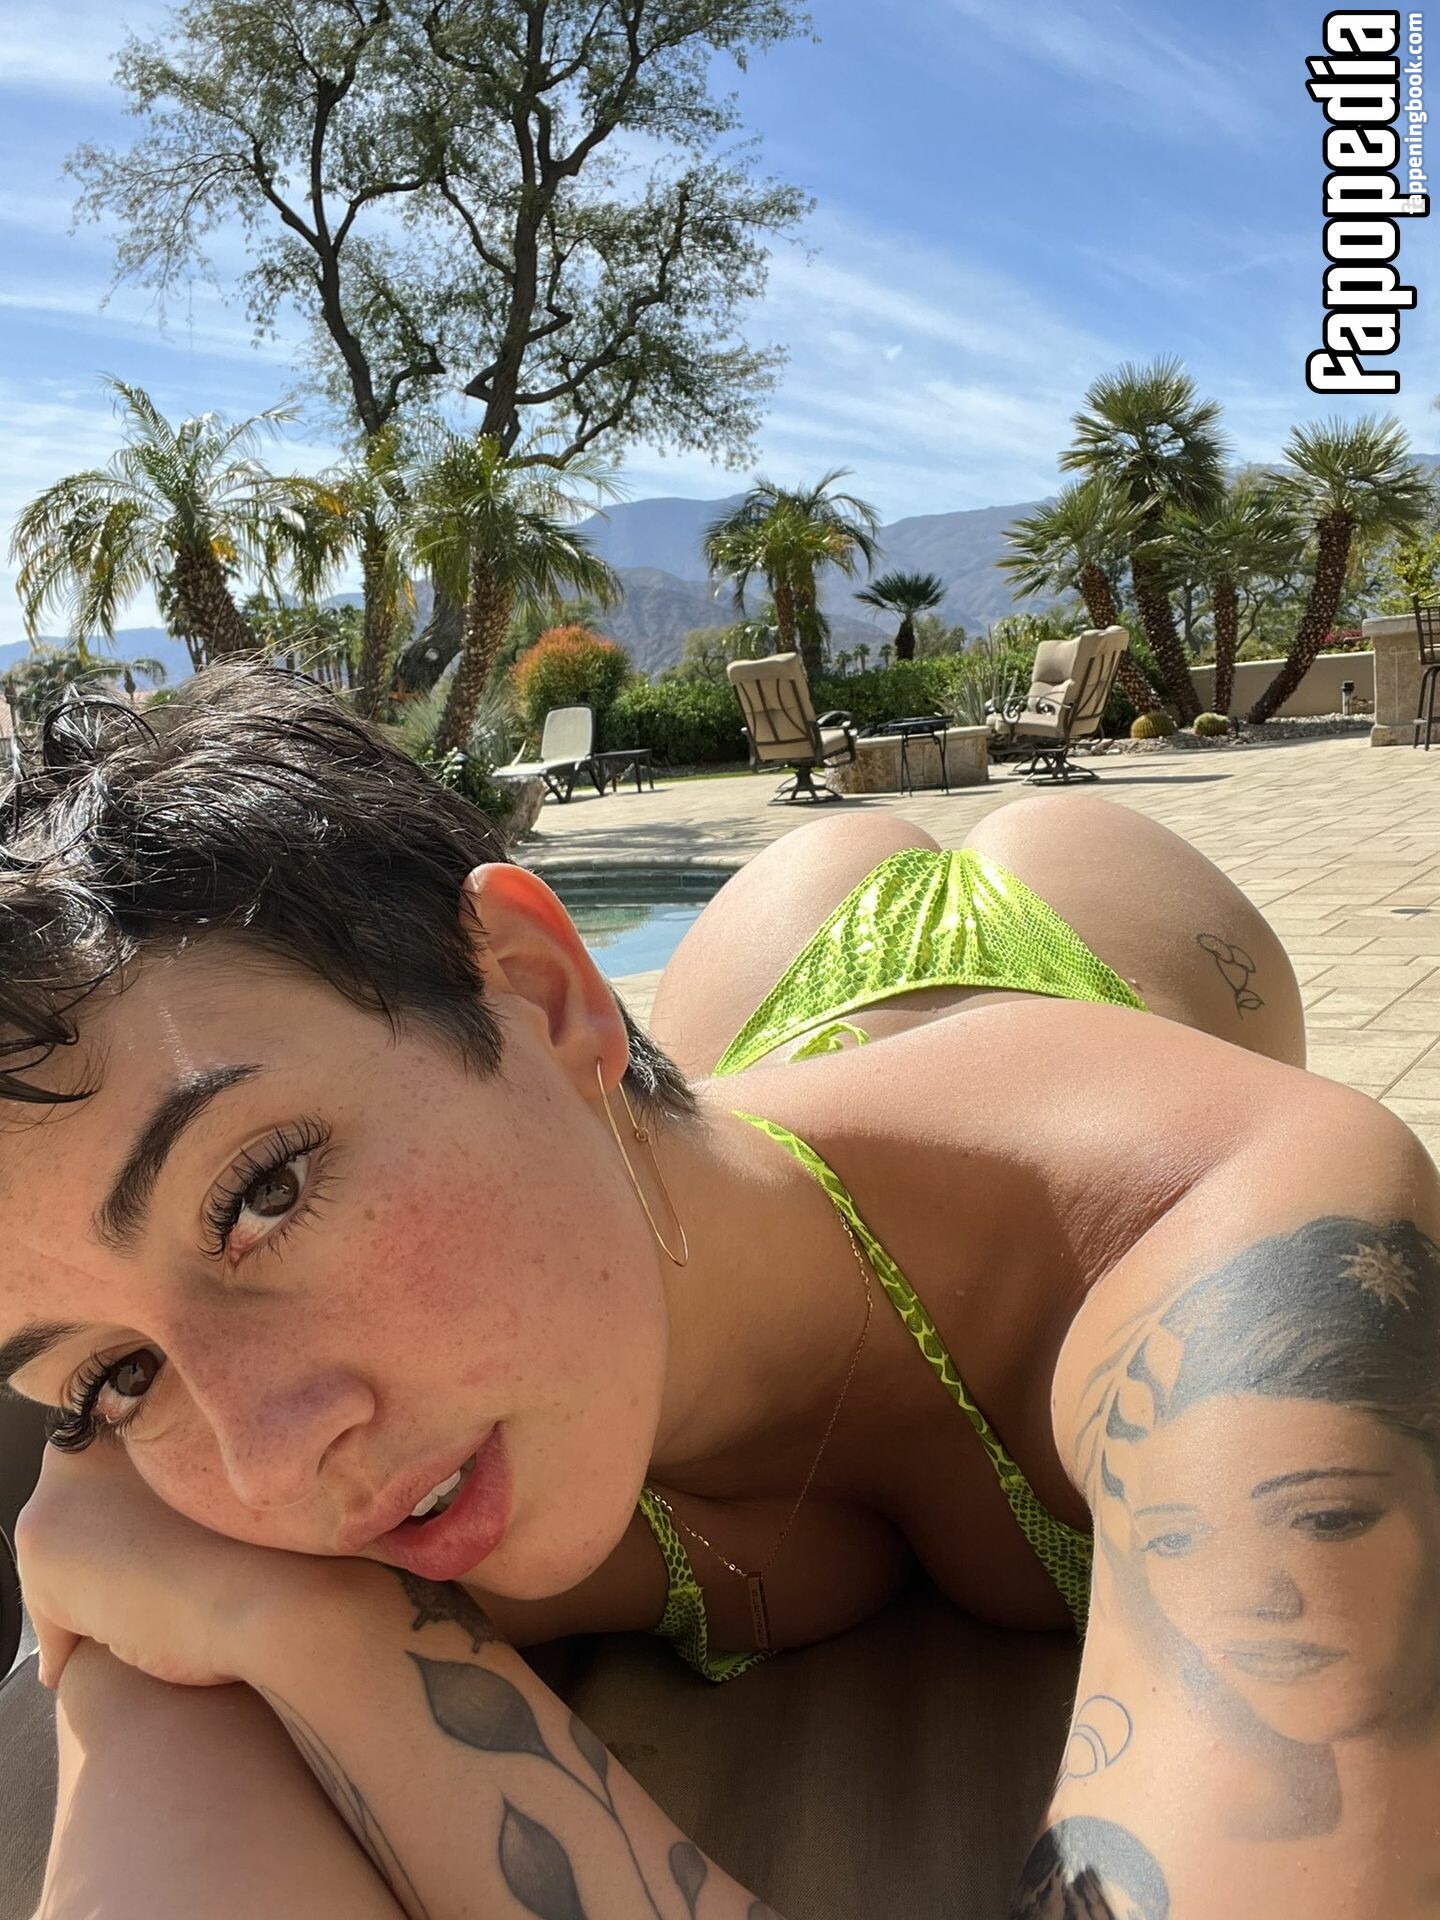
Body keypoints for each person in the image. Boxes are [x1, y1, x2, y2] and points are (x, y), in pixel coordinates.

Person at [4, 663, 1437, 1919]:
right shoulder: (208, 1478)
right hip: (754, 1027)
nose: (269, 1455)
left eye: (262, 1190)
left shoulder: (1246, 1233)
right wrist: (292, 1634)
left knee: (1052, 854)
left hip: (1082, 951)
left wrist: (346, 1658)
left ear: (540, 990)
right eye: (109, 1374)